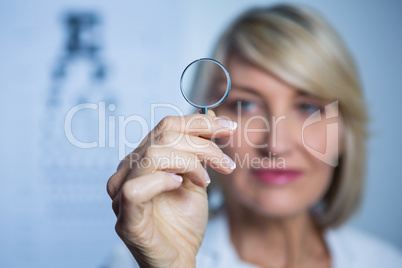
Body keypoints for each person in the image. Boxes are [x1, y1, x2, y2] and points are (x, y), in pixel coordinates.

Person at [106, 4, 402, 268]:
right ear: (205, 126)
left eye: (308, 107)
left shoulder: (384, 262)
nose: (276, 145)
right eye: (245, 105)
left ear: (344, 132)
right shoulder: (139, 262)